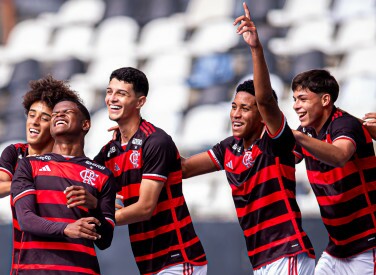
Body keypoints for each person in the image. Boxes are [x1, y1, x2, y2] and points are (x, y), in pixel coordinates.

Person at [182, 3, 315, 274]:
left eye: (245, 108)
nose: (236, 114)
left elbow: (266, 99)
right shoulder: (228, 148)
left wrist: (255, 48)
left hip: (288, 252)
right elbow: (182, 168)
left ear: (262, 116)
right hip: (261, 259)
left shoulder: (275, 142)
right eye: (234, 106)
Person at [94, 67, 207, 275]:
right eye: (110, 92)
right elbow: (83, 176)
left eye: (122, 93)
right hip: (150, 264)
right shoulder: (111, 151)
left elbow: (145, 208)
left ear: (140, 102)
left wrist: (103, 220)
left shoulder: (156, 141)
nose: (112, 99)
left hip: (178, 259)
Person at [10, 97, 116, 274]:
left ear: (85, 125)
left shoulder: (103, 175)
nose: (59, 114)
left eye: (67, 112)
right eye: (55, 114)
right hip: (35, 271)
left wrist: (95, 207)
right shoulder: (29, 165)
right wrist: (66, 228)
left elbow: (104, 240)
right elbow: (26, 219)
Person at [291, 69, 376, 273]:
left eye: (302, 99)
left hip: (368, 246)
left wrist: (298, 137)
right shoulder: (307, 130)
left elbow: (339, 156)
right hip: (337, 249)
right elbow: (282, 159)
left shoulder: (345, 124)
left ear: (325, 99)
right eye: (294, 99)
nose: (295, 106)